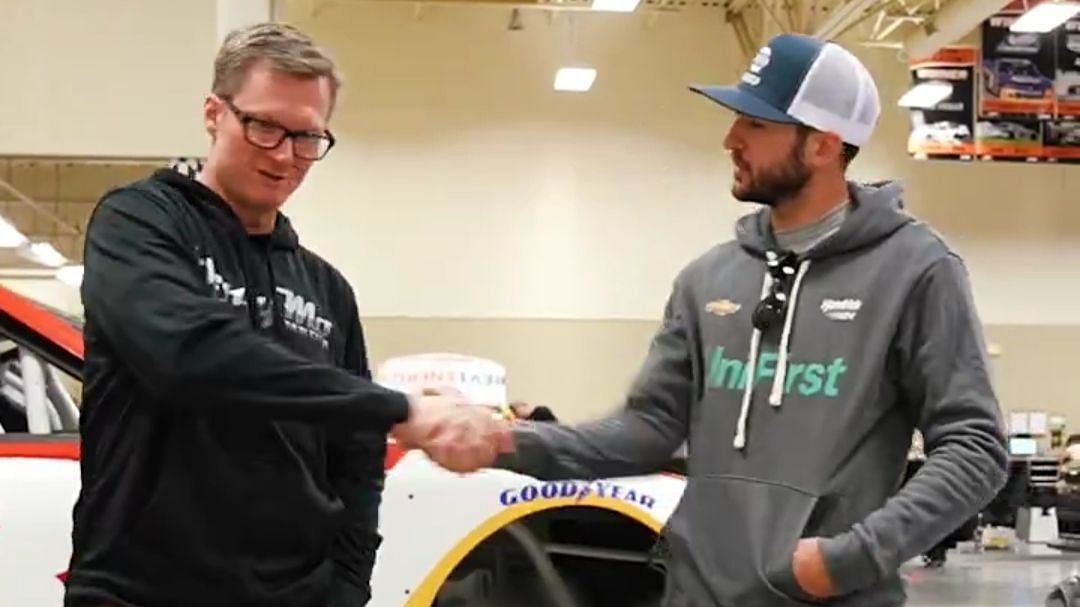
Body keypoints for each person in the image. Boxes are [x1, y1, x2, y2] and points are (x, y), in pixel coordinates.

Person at [448, 33, 1010, 606]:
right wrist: (506, 441)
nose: (730, 140)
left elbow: (975, 448)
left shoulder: (916, 271)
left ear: (822, 145)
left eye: (756, 125)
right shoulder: (708, 278)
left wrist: (849, 558)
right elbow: (647, 430)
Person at [65, 22, 502, 607]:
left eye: (307, 138)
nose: (286, 156)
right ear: (214, 112)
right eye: (265, 127)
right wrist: (403, 409)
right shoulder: (141, 223)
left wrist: (346, 585)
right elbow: (189, 354)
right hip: (138, 590)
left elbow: (355, 459)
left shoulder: (326, 289)